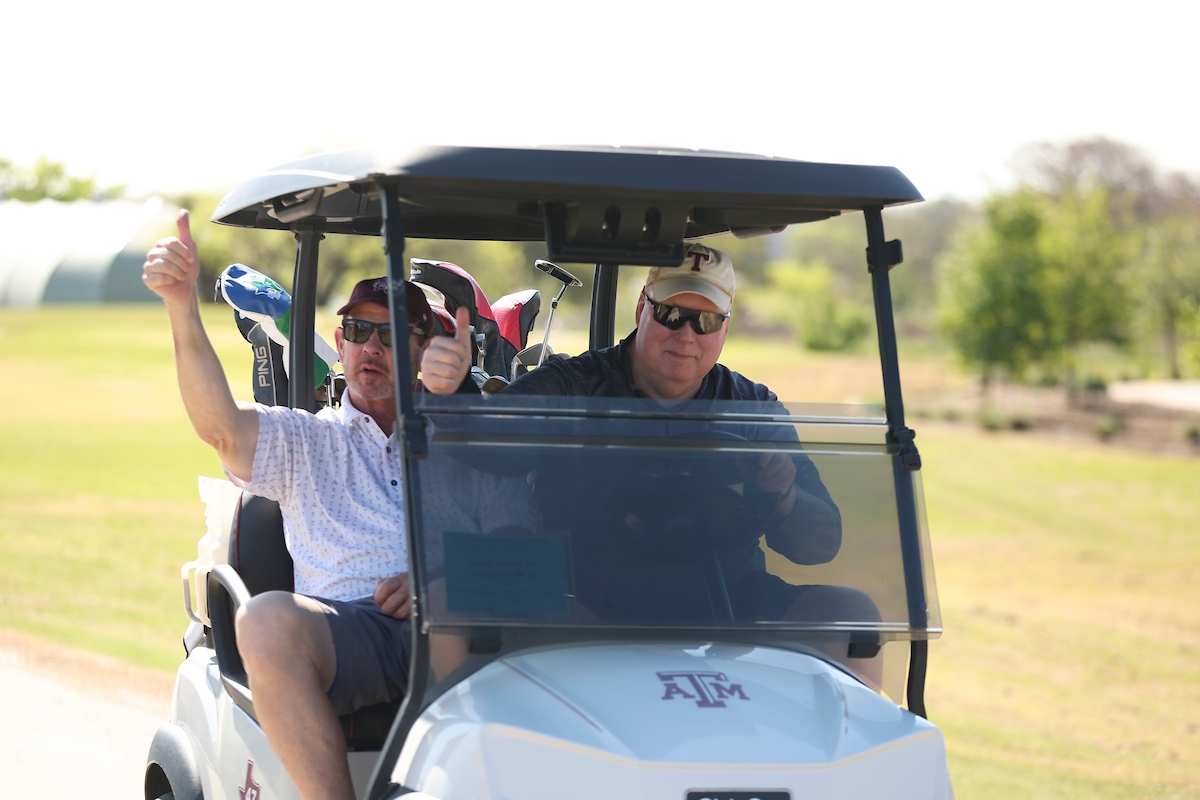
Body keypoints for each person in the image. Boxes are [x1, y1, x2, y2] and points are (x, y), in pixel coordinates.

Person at [142, 210, 514, 800]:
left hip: (447, 626)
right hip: (346, 633)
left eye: (392, 334)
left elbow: (521, 546)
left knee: (459, 607)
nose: (372, 347)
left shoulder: (465, 444)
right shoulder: (310, 438)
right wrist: (182, 305)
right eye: (359, 332)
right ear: (338, 344)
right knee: (264, 621)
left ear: (426, 350)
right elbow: (220, 427)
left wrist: (437, 581)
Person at [499, 244, 877, 648]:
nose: (686, 335)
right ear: (643, 307)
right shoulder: (572, 385)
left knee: (852, 615)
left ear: (725, 328)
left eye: (706, 321)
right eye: (672, 314)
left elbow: (821, 544)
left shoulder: (751, 408)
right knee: (539, 615)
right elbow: (481, 440)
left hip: (726, 603)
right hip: (593, 602)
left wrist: (780, 492)